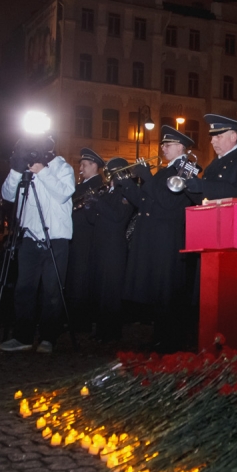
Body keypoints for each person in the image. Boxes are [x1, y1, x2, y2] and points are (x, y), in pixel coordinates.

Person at [117, 126, 197, 350]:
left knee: (166, 289)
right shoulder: (165, 169)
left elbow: (169, 202)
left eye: (168, 144)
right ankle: (160, 337)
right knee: (156, 289)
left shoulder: (186, 168)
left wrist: (147, 178)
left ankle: (170, 340)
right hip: (153, 235)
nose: (162, 148)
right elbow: (146, 201)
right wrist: (128, 186)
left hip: (167, 236)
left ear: (181, 147)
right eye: (163, 144)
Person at [0, 135, 75, 353]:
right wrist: (15, 170)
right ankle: (23, 336)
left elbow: (63, 194)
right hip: (30, 237)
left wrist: (42, 171)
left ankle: (49, 337)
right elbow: (7, 195)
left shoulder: (63, 168)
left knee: (52, 291)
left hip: (56, 238)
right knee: (24, 289)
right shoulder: (24, 170)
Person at [88, 157, 135, 341]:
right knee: (100, 288)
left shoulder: (125, 193)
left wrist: (98, 203)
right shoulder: (108, 191)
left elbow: (117, 217)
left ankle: (112, 332)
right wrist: (89, 206)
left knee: (111, 291)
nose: (109, 174)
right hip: (101, 245)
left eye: (112, 170)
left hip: (114, 248)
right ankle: (101, 330)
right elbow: (94, 219)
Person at [66, 147, 105, 331]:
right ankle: (73, 317)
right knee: (74, 277)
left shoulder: (98, 185)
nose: (80, 168)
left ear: (94, 166)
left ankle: (80, 321)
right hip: (76, 236)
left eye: (84, 164)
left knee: (81, 279)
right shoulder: (82, 185)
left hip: (86, 237)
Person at [188, 115, 237, 201]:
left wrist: (202, 186)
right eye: (212, 137)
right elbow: (202, 200)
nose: (212, 141)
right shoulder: (213, 164)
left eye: (218, 136)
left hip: (236, 214)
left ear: (233, 137)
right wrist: (187, 185)